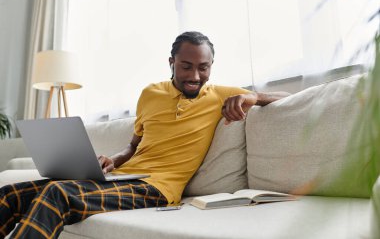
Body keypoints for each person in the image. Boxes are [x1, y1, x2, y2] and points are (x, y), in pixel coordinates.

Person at [0, 31, 288, 239]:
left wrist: (253, 97)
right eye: (186, 66)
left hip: (158, 190)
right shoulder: (150, 93)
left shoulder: (220, 94)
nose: (195, 76)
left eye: (204, 67)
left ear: (211, 66)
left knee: (57, 193)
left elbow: (288, 98)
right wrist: (113, 161)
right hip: (123, 178)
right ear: (171, 62)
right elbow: (134, 145)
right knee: (9, 194)